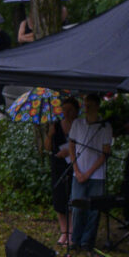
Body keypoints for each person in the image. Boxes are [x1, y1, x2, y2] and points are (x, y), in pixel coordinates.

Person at [69, 94, 113, 251]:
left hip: (96, 175)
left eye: (89, 105)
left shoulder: (105, 126)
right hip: (78, 172)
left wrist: (88, 173)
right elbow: (72, 146)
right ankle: (75, 239)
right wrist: (77, 170)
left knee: (94, 210)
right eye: (85, 105)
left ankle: (87, 241)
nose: (85, 108)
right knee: (77, 207)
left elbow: (105, 152)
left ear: (96, 106)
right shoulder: (77, 123)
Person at [44, 96, 79, 245]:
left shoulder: (79, 125)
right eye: (64, 110)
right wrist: (50, 134)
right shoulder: (56, 125)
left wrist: (70, 153)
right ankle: (63, 231)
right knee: (59, 197)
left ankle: (71, 231)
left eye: (70, 110)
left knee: (71, 197)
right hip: (58, 164)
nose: (67, 113)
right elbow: (46, 147)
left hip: (74, 164)